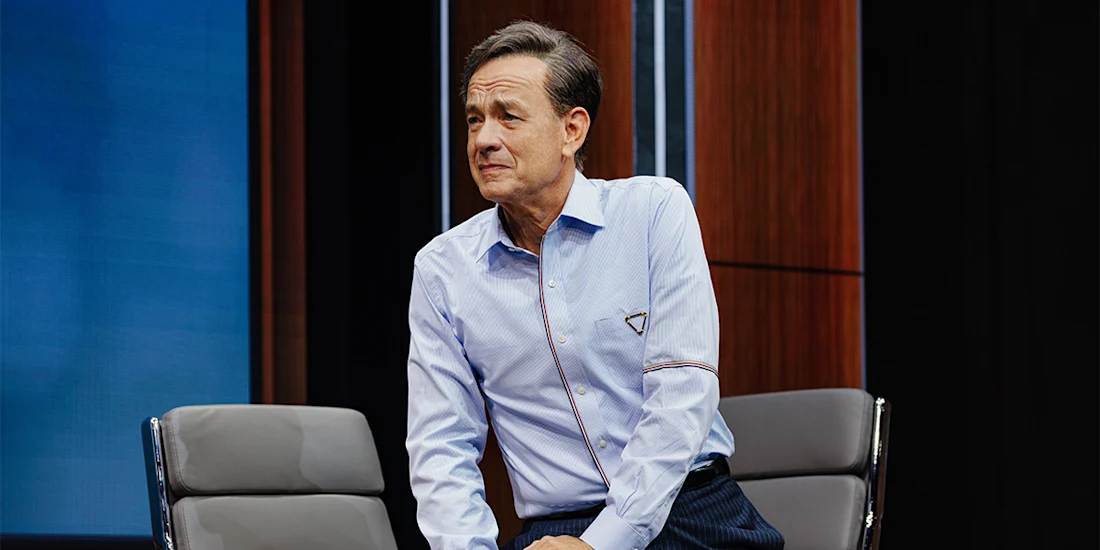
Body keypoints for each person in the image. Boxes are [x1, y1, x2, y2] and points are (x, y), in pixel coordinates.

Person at [406, 20, 784, 550]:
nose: (483, 139)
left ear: (572, 130)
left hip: (689, 511)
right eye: (474, 120)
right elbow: (441, 444)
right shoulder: (443, 269)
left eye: (507, 117)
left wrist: (603, 543)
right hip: (554, 532)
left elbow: (681, 395)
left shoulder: (653, 211)